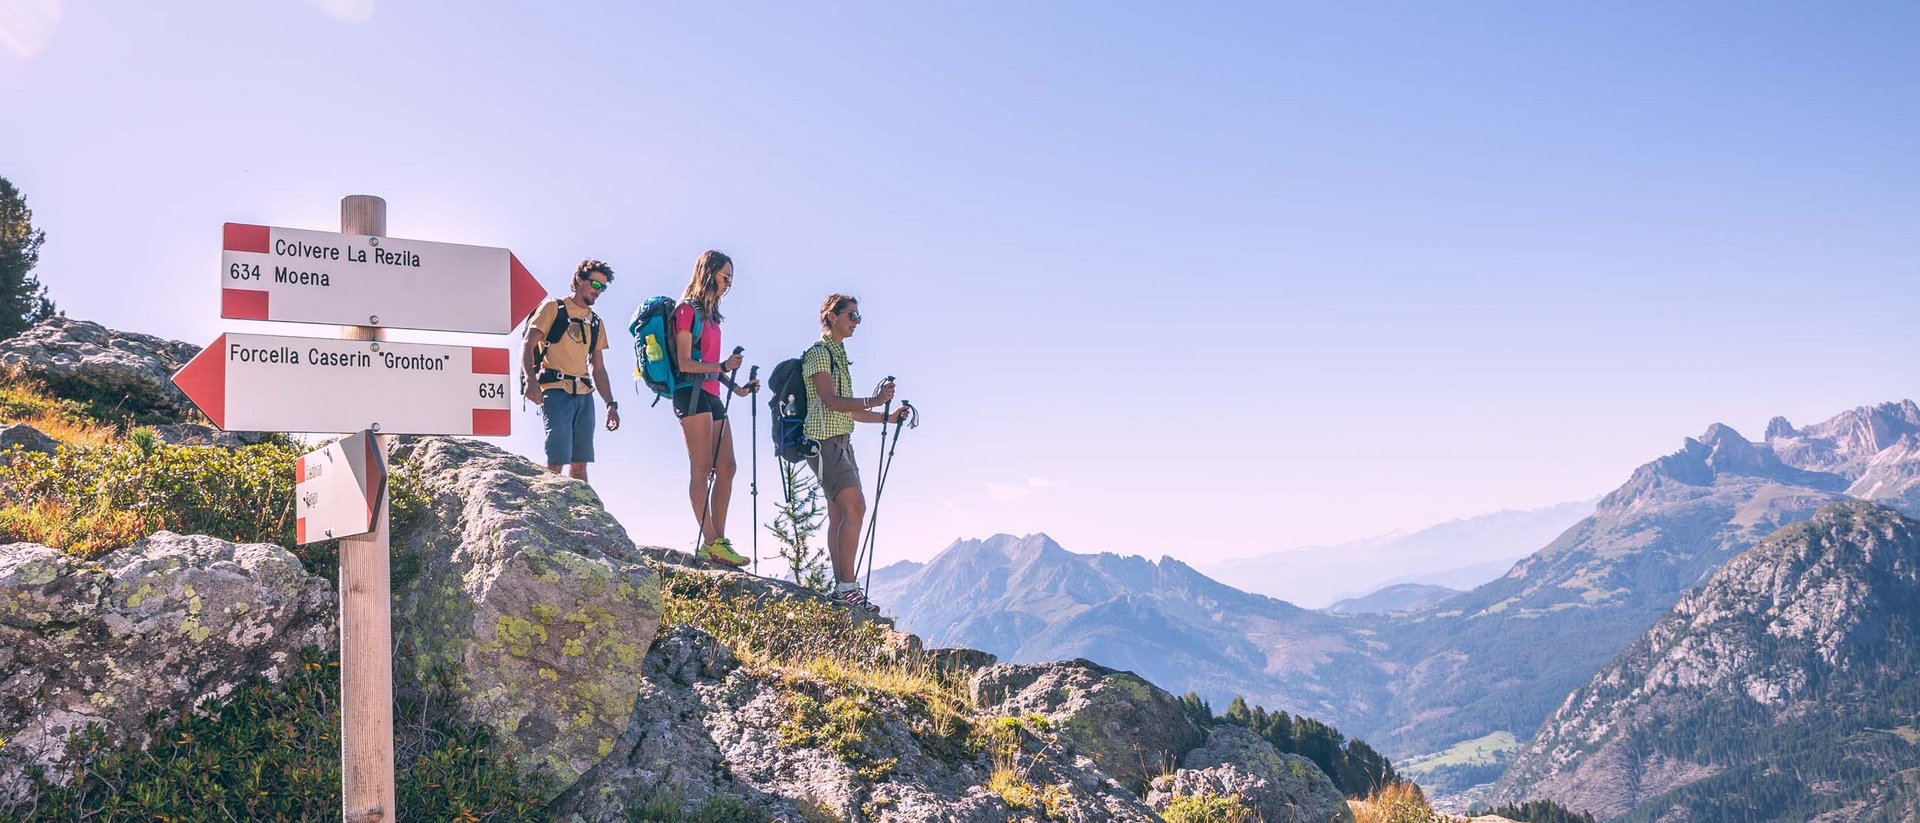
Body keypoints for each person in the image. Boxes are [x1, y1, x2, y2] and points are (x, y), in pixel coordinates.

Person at [803, 294, 910, 613]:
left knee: (840, 514)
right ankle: (847, 588)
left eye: (858, 317)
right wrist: (875, 401)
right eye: (852, 315)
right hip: (823, 442)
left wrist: (887, 417)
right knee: (856, 506)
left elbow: (849, 411)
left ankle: (842, 587)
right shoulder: (819, 353)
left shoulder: (838, 353)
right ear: (831, 316)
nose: (856, 322)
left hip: (840, 443)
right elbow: (830, 401)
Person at [674, 251, 759, 567]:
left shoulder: (711, 318)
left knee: (727, 467)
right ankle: (710, 541)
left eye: (732, 278)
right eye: (726, 276)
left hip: (711, 394)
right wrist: (722, 365)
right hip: (690, 394)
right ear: (708, 274)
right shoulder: (686, 311)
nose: (729, 283)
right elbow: (685, 362)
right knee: (701, 467)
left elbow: (710, 364)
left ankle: (718, 542)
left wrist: (736, 387)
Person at [522, 259, 619, 481]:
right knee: (556, 459)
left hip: (584, 395)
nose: (599, 292)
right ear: (579, 280)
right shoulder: (553, 308)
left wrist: (610, 404)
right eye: (596, 285)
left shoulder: (596, 322)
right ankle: (548, 508)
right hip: (555, 390)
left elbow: (599, 368)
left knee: (580, 464)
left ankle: (581, 515)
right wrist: (530, 380)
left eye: (603, 288)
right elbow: (528, 344)